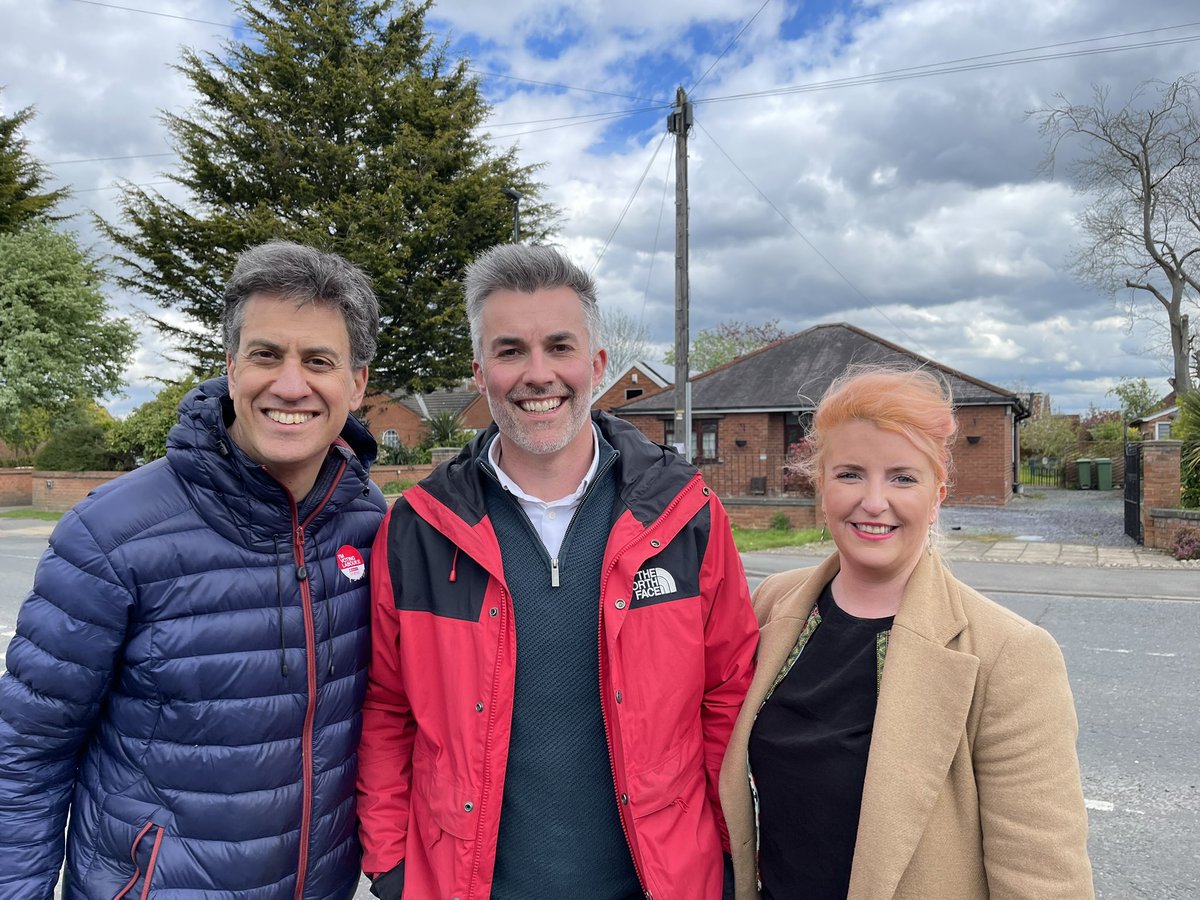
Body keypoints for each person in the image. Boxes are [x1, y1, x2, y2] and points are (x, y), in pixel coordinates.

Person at [357, 243, 758, 900]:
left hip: (661, 884)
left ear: (596, 365)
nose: (537, 373)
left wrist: (726, 853)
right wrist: (393, 868)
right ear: (481, 371)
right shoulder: (420, 529)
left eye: (559, 348)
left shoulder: (686, 517)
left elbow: (726, 700)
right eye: (510, 350)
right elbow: (387, 708)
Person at [0, 240, 387, 899]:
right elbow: (24, 760)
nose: (290, 385)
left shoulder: (372, 523)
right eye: (267, 355)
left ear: (356, 383)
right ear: (232, 368)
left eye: (318, 361)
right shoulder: (111, 534)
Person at [719, 367, 1095, 900]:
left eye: (902, 477)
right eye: (850, 474)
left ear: (937, 494)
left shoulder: (1010, 654)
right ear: (820, 484)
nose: (874, 501)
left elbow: (1043, 876)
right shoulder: (773, 604)